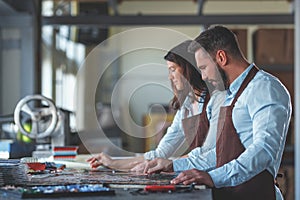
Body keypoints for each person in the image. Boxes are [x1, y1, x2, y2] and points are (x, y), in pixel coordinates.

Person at [143, 25, 292, 200]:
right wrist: (176, 166)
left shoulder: (264, 88)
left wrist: (214, 177)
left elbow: (264, 150)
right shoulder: (231, 94)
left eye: (204, 67)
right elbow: (222, 152)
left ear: (221, 57)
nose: (203, 76)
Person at [87, 40, 224, 172]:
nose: (170, 77)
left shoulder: (216, 99)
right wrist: (113, 162)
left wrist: (171, 164)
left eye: (173, 69)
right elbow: (160, 153)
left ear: (188, 68)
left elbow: (207, 153)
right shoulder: (186, 107)